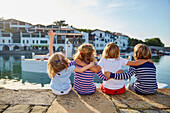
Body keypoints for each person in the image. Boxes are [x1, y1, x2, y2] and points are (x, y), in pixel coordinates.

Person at [76, 42, 152, 95]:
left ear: (105, 51)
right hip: (120, 90)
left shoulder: (103, 60)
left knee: (102, 85)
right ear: (117, 52)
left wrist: (83, 64)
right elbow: (135, 63)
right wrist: (146, 60)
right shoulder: (120, 60)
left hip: (107, 90)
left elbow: (96, 69)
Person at [47, 31, 95, 95]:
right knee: (69, 85)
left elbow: (50, 51)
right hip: (66, 90)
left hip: (55, 90)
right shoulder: (70, 67)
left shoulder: (53, 66)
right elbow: (81, 70)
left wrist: (51, 38)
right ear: (64, 60)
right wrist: (90, 65)